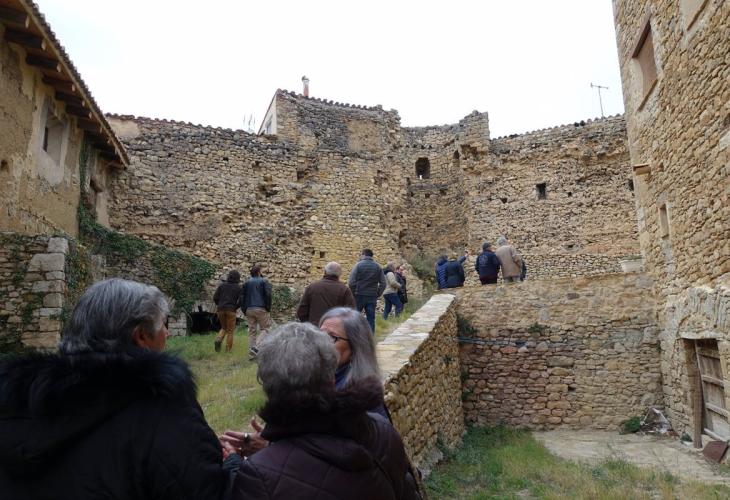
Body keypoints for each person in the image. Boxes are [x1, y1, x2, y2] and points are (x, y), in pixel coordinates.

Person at [0, 278, 237, 499]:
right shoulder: (162, 412)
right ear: (141, 336)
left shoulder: (18, 402)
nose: (166, 333)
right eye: (163, 325)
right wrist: (233, 465)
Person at [228, 322, 419, 500]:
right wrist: (273, 447)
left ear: (267, 386)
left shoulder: (257, 475)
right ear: (331, 376)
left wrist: (234, 466)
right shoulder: (382, 429)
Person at [220, 307, 388, 455]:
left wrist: (271, 447)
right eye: (320, 334)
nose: (321, 343)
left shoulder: (361, 401)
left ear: (356, 347)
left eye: (332, 338)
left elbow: (341, 458)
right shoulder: (317, 383)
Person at [296, 261, 356, 326]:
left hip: (314, 328)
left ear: (325, 272)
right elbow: (351, 313)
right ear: (339, 274)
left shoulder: (311, 288)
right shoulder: (344, 290)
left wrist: (309, 325)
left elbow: (301, 312)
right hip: (334, 328)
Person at [348, 249, 386, 334]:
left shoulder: (358, 265)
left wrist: (354, 292)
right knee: (371, 318)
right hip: (372, 295)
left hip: (359, 295)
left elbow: (351, 282)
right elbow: (383, 283)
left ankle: (355, 337)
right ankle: (370, 338)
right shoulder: (378, 267)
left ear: (363, 255)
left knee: (355, 318)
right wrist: (378, 293)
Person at [239, 264, 272, 359]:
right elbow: (268, 295)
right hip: (261, 308)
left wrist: (244, 309)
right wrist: (268, 308)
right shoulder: (264, 281)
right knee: (266, 329)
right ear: (258, 272)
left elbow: (241, 297)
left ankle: (251, 354)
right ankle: (256, 347)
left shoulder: (246, 283)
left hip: (249, 309)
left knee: (252, 331)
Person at [213, 269, 241, 352]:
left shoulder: (222, 285)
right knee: (230, 331)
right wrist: (235, 307)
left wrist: (219, 305)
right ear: (238, 278)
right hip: (231, 310)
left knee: (224, 327)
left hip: (220, 309)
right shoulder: (238, 287)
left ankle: (218, 339)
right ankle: (228, 350)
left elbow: (215, 297)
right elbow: (241, 300)